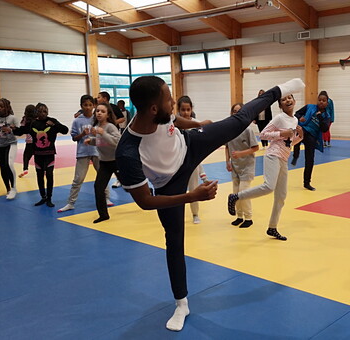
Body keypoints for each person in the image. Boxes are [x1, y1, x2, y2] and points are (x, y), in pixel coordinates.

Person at [115, 76, 305, 332]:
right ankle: (181, 303)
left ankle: (280, 87)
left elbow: (174, 120)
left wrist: (197, 124)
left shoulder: (160, 113)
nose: (173, 102)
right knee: (174, 241)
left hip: (190, 144)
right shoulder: (128, 151)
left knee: (237, 122)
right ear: (152, 109)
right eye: (169, 100)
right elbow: (146, 201)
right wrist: (191, 196)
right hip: (168, 184)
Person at [228, 93, 303, 240]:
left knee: (281, 196)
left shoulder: (294, 120)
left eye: (290, 98)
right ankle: (236, 196)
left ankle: (272, 228)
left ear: (294, 101)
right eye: (283, 99)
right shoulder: (279, 118)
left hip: (284, 158)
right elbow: (263, 134)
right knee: (269, 186)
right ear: (280, 105)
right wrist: (282, 132)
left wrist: (299, 137)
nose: (287, 100)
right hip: (273, 155)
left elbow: (289, 143)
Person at [58, 95, 111, 213]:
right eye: (85, 105)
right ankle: (71, 203)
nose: (88, 107)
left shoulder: (98, 119)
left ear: (94, 106)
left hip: (97, 151)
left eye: (90, 105)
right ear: (81, 106)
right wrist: (82, 134)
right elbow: (74, 138)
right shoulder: (77, 121)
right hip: (82, 152)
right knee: (78, 178)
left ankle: (106, 198)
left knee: (103, 176)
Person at [14, 103, 68, 207]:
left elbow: (65, 130)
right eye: (40, 111)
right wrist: (12, 129)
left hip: (49, 154)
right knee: (39, 176)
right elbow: (21, 131)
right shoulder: (33, 123)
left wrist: (54, 125)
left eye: (45, 111)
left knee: (49, 175)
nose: (43, 113)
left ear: (47, 112)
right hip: (38, 154)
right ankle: (43, 197)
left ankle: (49, 198)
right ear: (36, 112)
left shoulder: (52, 121)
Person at [176, 95, 211, 224]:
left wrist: (203, 174)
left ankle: (195, 213)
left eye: (188, 109)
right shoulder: (174, 125)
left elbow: (199, 148)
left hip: (193, 162)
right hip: (177, 163)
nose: (185, 112)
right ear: (178, 110)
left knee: (194, 188)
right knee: (177, 191)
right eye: (183, 110)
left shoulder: (197, 124)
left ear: (191, 109)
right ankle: (176, 214)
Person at [84, 103, 121, 223]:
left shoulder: (110, 127)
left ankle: (148, 191)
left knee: (128, 186)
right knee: (98, 188)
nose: (99, 113)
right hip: (104, 162)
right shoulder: (97, 127)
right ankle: (103, 214)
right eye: (97, 111)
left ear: (108, 114)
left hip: (116, 161)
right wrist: (92, 141)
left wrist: (103, 133)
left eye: (102, 111)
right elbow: (102, 143)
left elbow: (116, 142)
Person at [226, 103, 259, 228]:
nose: (236, 113)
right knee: (235, 193)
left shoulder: (248, 130)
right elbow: (227, 147)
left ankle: (248, 217)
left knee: (243, 192)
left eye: (239, 111)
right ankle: (239, 216)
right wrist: (227, 161)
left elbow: (255, 147)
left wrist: (241, 153)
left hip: (247, 166)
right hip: (235, 166)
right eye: (234, 111)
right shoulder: (229, 130)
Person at [291, 91, 331, 191]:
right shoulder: (309, 107)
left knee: (310, 159)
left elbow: (325, 129)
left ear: (327, 103)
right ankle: (295, 156)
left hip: (312, 135)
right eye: (319, 100)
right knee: (297, 138)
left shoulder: (326, 115)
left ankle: (307, 182)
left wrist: (320, 118)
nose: (321, 102)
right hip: (304, 129)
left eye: (324, 100)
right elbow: (297, 113)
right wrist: (300, 117)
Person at [18, 105, 37, 178]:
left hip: (29, 142)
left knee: (26, 156)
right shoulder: (37, 119)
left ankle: (25, 168)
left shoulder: (25, 119)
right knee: (38, 156)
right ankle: (44, 169)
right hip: (37, 141)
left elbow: (21, 128)